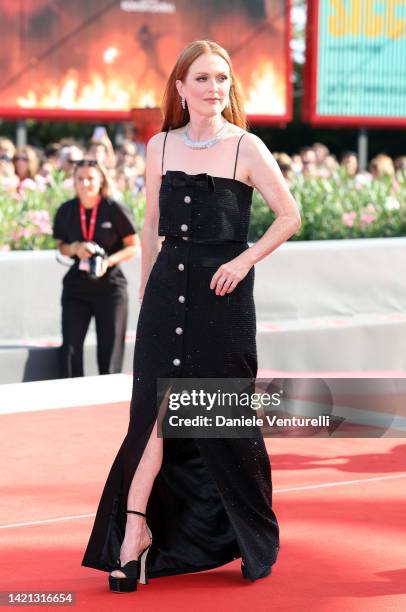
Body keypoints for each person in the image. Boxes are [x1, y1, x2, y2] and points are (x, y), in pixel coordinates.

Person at [81, 39, 301, 591]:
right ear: (180, 87)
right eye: (201, 78)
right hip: (166, 296)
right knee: (151, 417)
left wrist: (245, 260)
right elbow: (153, 222)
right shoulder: (159, 146)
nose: (213, 88)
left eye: (222, 79)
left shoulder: (246, 147)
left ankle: (247, 535)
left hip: (222, 300)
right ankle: (135, 535)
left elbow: (289, 216)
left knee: (219, 416)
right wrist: (147, 298)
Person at [53, 159, 138, 377]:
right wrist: (75, 247)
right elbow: (61, 247)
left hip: (110, 288)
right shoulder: (66, 210)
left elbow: (133, 247)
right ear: (74, 182)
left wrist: (107, 261)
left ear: (101, 180)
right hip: (76, 288)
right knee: (70, 351)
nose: (85, 183)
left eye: (90, 178)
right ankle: (71, 404)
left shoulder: (114, 208)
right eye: (80, 178)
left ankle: (107, 405)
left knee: (109, 358)